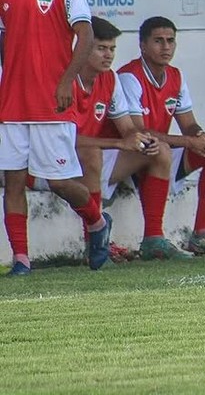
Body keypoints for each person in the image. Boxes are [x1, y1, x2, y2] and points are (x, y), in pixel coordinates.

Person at [1, 0, 110, 275]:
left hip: (51, 100)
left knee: (61, 182)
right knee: (13, 181)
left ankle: (96, 222)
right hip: (12, 102)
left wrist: (66, 81)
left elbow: (86, 35)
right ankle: (21, 260)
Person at [117, 16, 205, 258]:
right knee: (156, 148)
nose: (166, 47)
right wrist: (190, 142)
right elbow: (139, 133)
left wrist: (200, 136)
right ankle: (153, 239)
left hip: (158, 150)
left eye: (170, 41)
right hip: (128, 155)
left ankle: (202, 234)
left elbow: (188, 123)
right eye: (158, 41)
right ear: (143, 45)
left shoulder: (176, 76)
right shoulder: (129, 76)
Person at [73, 17, 172, 247]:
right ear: (82, 47)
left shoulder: (111, 78)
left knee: (160, 150)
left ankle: (153, 239)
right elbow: (64, 139)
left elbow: (127, 128)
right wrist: (119, 144)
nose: (108, 55)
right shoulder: (66, 78)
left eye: (112, 49)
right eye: (101, 48)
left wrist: (140, 139)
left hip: (91, 162)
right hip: (55, 166)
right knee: (92, 154)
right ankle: (95, 244)